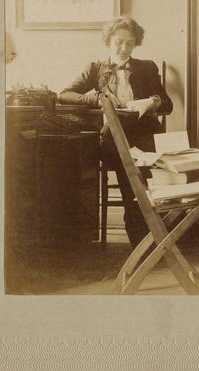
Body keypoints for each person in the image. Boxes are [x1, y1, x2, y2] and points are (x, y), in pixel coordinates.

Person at [59, 16, 173, 248]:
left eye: (130, 43)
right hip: (115, 136)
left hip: (147, 135)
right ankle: (141, 242)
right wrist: (96, 98)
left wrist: (151, 102)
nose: (124, 48)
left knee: (157, 179)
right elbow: (64, 94)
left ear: (136, 44)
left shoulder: (147, 67)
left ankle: (158, 237)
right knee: (133, 178)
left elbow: (167, 104)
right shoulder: (96, 68)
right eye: (119, 42)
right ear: (108, 41)